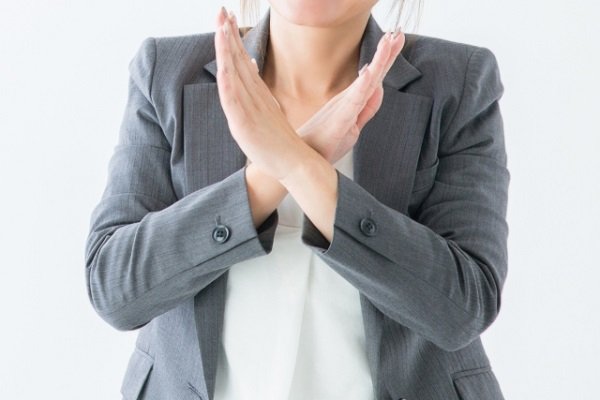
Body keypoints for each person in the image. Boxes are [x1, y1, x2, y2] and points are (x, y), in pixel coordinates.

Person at [85, 1, 510, 399]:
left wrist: (302, 169)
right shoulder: (167, 72)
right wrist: (269, 177)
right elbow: (115, 288)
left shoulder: (459, 81)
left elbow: (464, 309)